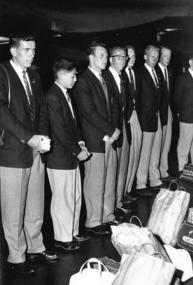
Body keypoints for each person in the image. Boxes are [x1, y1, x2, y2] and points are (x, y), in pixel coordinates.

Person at [0, 35, 58, 275]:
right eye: (26, 50)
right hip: (13, 151)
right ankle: (16, 257)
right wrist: (28, 137)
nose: (31, 54)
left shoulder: (33, 75)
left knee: (35, 203)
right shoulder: (2, 73)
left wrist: (42, 137)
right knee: (14, 207)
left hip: (36, 148)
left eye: (33, 50)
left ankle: (35, 247)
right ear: (13, 51)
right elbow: (2, 111)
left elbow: (42, 109)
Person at [73, 41, 120, 236]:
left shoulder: (104, 78)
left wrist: (113, 130)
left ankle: (107, 216)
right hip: (94, 137)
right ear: (91, 58)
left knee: (108, 179)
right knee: (94, 182)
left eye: (106, 55)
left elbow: (112, 107)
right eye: (101, 55)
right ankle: (93, 221)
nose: (105, 59)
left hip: (108, 136)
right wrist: (111, 129)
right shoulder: (84, 81)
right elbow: (89, 112)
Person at [45, 58, 91, 252]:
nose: (75, 79)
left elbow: (74, 125)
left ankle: (72, 232)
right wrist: (77, 150)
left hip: (70, 155)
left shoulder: (66, 94)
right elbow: (59, 131)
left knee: (74, 196)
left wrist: (80, 142)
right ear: (62, 75)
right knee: (62, 199)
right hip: (59, 157)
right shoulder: (52, 96)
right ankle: (62, 238)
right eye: (72, 75)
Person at [104, 46, 130, 214]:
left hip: (124, 126)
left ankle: (118, 202)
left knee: (122, 167)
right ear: (111, 59)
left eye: (124, 58)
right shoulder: (105, 78)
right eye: (119, 57)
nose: (122, 60)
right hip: (112, 130)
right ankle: (109, 208)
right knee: (111, 171)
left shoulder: (123, 78)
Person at [136, 45, 162, 194]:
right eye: (152, 56)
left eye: (156, 57)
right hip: (145, 119)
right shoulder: (140, 73)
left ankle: (154, 179)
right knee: (145, 153)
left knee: (155, 152)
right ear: (145, 57)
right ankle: (141, 183)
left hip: (155, 117)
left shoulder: (155, 72)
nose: (155, 59)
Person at [173, 53, 193, 173]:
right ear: (190, 62)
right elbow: (176, 97)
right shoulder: (182, 77)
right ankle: (182, 166)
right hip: (186, 114)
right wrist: (180, 113)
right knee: (185, 141)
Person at [123, 45, 142, 200]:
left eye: (134, 55)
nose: (131, 59)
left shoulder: (135, 73)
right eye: (128, 56)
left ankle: (129, 187)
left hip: (136, 115)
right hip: (127, 118)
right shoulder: (120, 74)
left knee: (136, 153)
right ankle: (122, 191)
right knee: (128, 156)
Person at [155, 46, 174, 180]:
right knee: (158, 144)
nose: (167, 59)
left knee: (167, 142)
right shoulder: (155, 71)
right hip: (158, 111)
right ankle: (155, 173)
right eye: (165, 56)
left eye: (169, 56)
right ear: (160, 56)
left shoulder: (169, 71)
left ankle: (164, 170)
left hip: (168, 110)